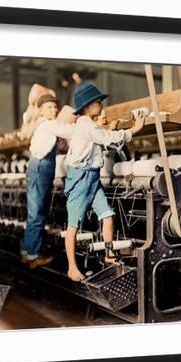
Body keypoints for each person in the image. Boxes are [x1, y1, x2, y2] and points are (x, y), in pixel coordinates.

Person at [64, 83, 145, 281]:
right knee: (73, 225)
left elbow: (100, 137)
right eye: (98, 102)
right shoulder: (85, 124)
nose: (101, 104)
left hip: (92, 177)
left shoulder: (88, 125)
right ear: (88, 106)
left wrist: (107, 128)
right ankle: (72, 267)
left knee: (108, 216)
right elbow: (109, 139)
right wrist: (134, 129)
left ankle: (108, 254)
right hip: (81, 178)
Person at [20, 94, 76, 268]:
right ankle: (34, 257)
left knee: (34, 212)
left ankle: (27, 253)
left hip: (38, 167)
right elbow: (69, 131)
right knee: (37, 212)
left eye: (55, 107)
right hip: (41, 168)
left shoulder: (41, 125)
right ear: (42, 110)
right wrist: (87, 124)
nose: (54, 110)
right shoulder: (48, 124)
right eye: (50, 107)